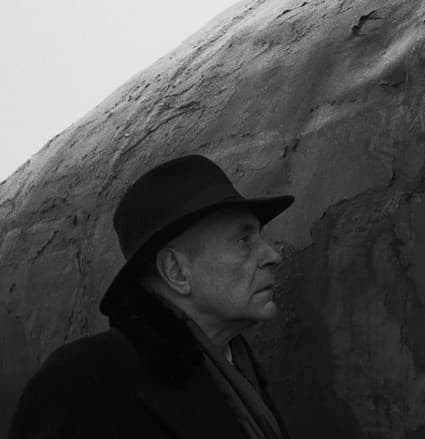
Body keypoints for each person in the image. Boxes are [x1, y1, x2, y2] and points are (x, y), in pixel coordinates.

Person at [9, 154, 294, 439]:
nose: (273, 255)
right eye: (244, 241)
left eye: (260, 236)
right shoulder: (80, 386)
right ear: (176, 272)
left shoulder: (236, 367)